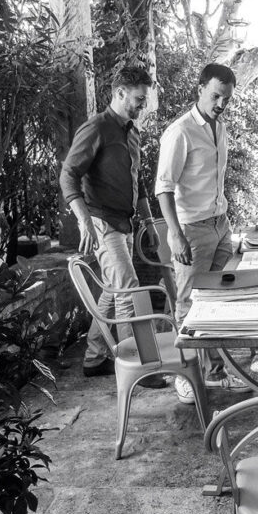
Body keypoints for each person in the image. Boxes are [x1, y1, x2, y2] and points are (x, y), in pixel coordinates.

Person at [60, 66, 166, 387]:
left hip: (126, 222)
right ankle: (137, 367)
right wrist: (83, 220)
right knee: (128, 291)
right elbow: (68, 175)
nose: (142, 106)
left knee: (111, 291)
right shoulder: (97, 128)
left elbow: (138, 181)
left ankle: (93, 358)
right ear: (119, 93)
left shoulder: (131, 131)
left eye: (144, 100)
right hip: (102, 221)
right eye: (138, 99)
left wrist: (148, 219)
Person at [155, 63, 248, 402]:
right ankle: (187, 374)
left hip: (220, 226)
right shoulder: (180, 132)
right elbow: (163, 188)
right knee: (188, 303)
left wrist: (226, 223)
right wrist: (176, 235)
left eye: (226, 99)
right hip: (191, 229)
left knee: (216, 302)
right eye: (215, 96)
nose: (221, 104)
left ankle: (214, 372)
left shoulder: (219, 128)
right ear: (199, 89)